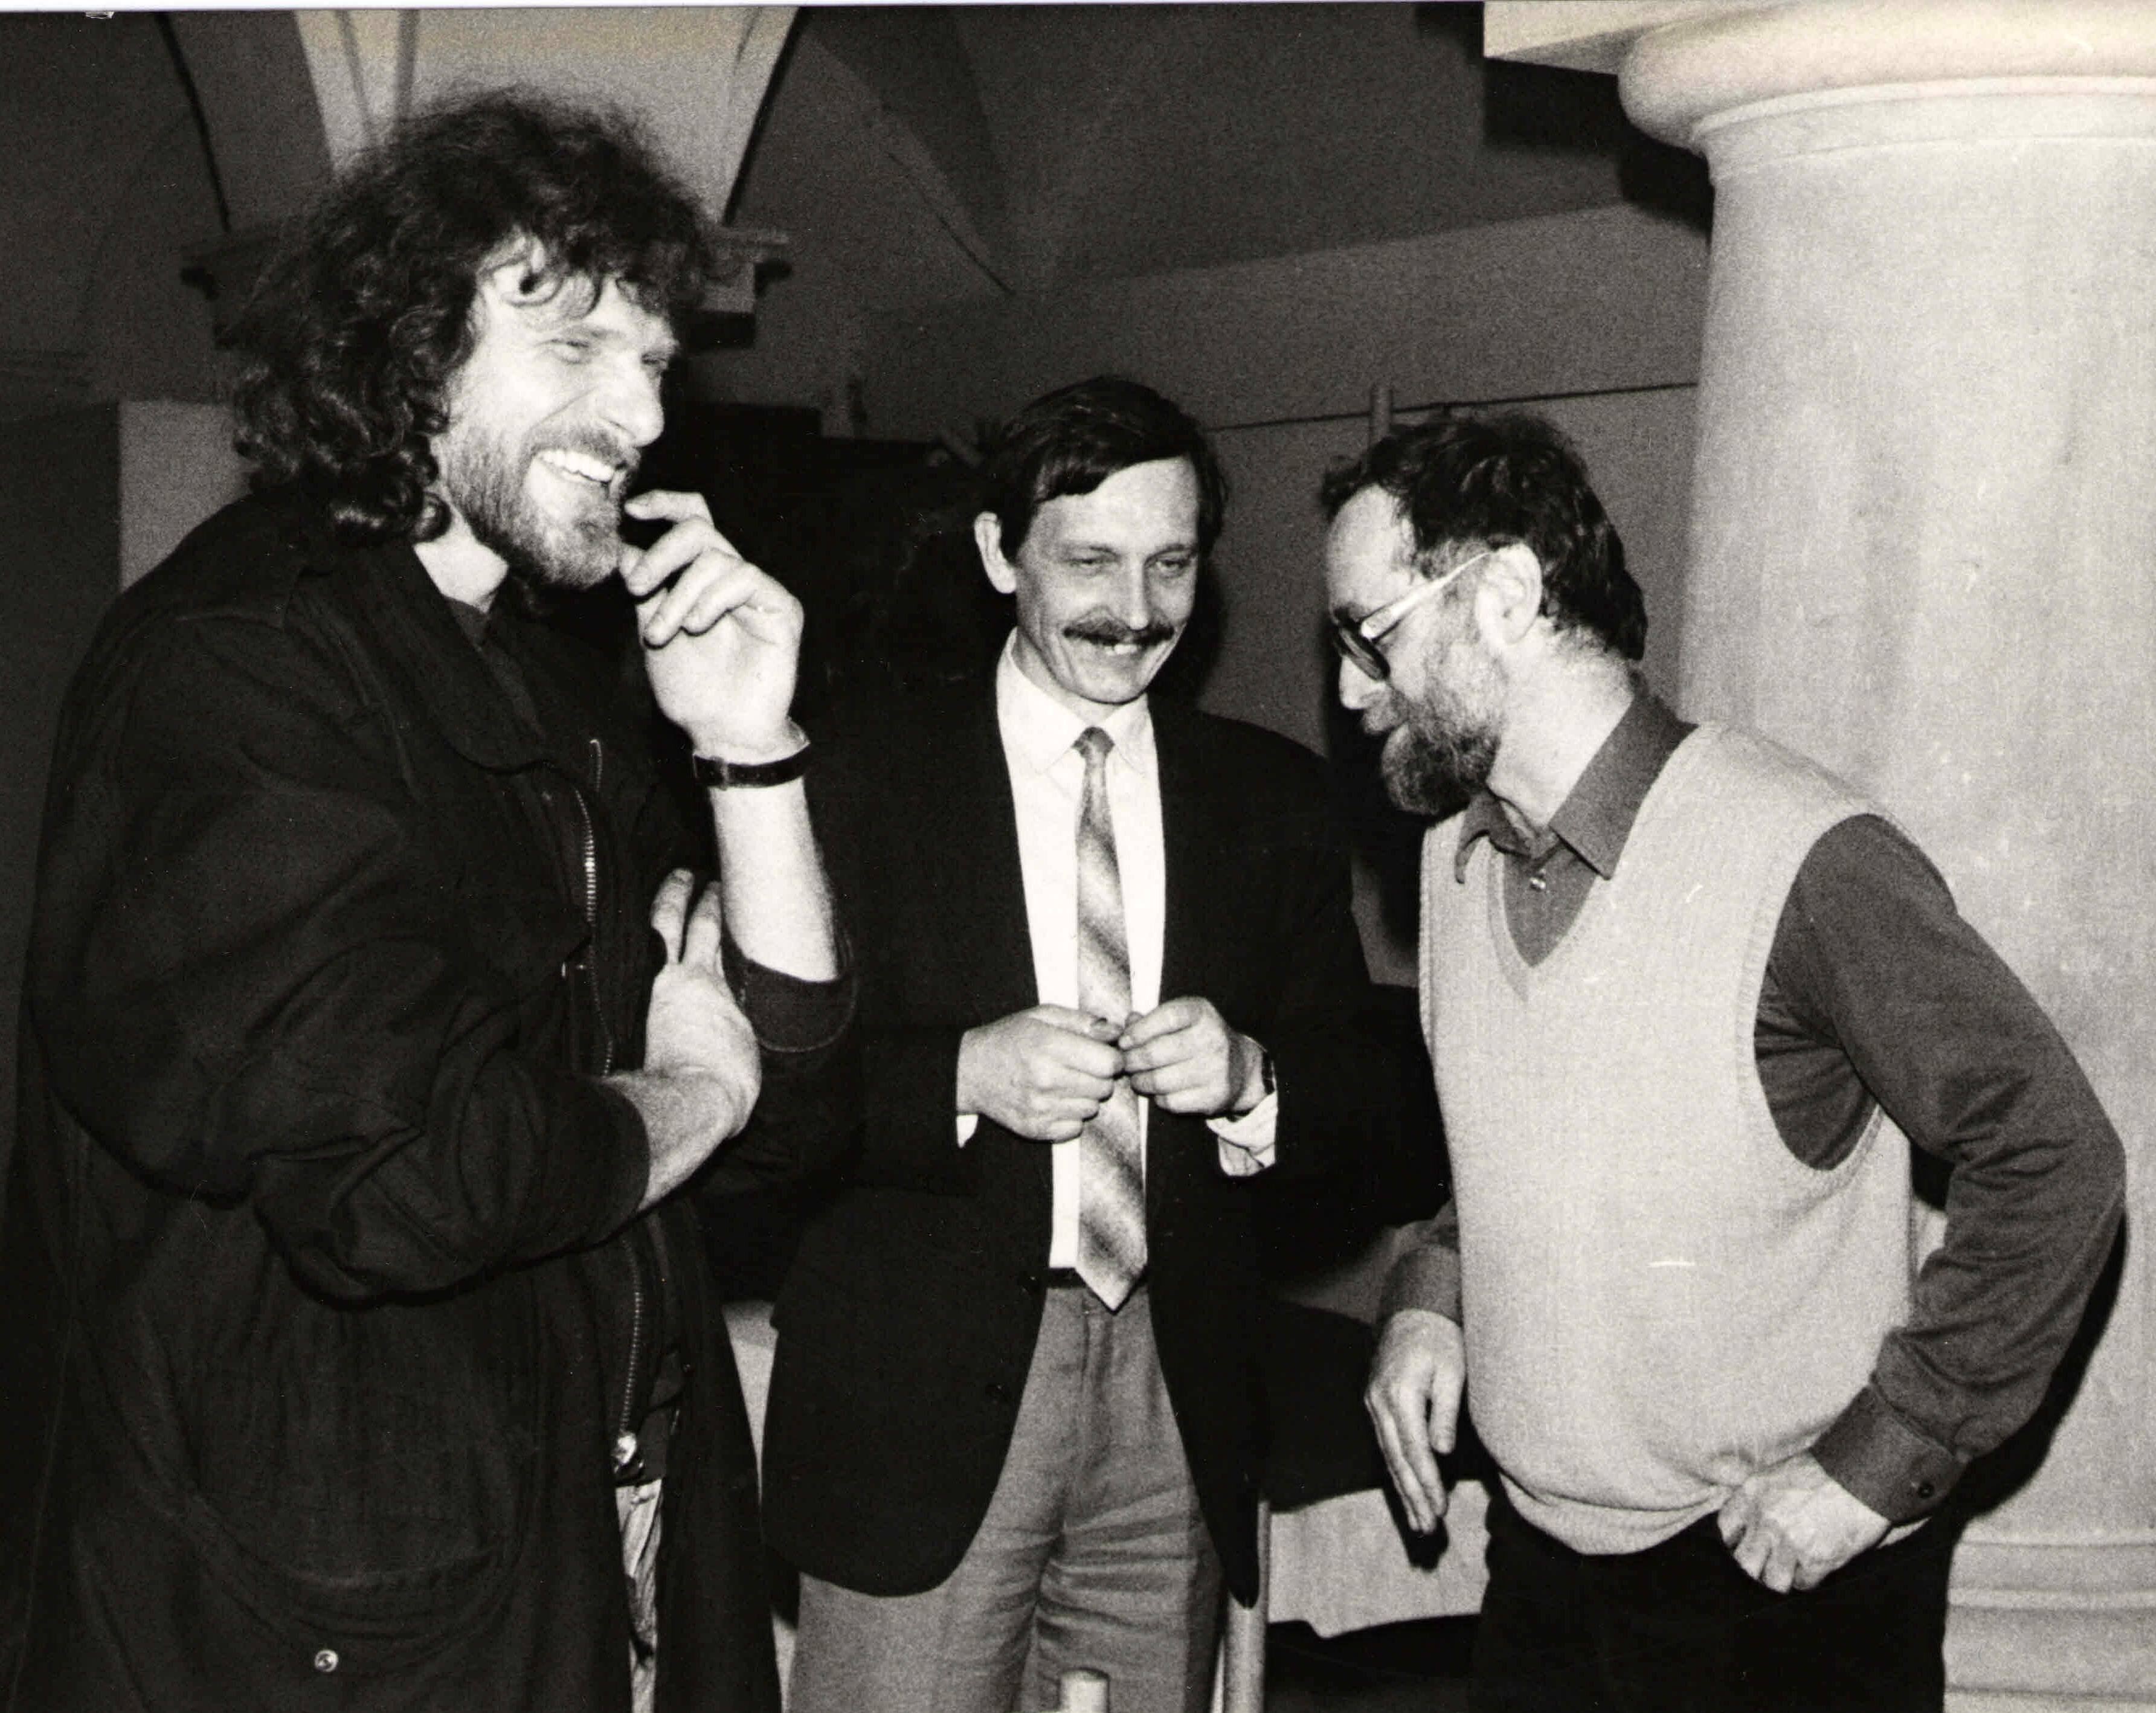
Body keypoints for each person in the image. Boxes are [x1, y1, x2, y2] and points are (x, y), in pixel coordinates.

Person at [0, 93, 847, 1713]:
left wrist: (751, 752)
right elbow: (412, 1175)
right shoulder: (242, 669)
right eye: (574, 343)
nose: (638, 413)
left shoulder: (545, 679)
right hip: (326, 1625)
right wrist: (693, 1088)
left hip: (574, 1537)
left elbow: (798, 1110)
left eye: (654, 361)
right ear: (405, 348)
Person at [1334, 413, 2126, 1712]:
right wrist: (1433, 1294)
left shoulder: (1805, 856)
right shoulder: (1449, 862)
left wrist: (1883, 1459)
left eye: (1372, 635)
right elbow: (1524, 1157)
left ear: (1509, 593)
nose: (1352, 689)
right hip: (1538, 1578)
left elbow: (2056, 1156)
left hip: (1771, 1596)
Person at [763, 377, 1409, 1713]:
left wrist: (1254, 1079)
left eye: (1171, 563)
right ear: (1000, 554)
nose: (1135, 608)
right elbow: (768, 1101)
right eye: (1091, 561)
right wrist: (962, 1073)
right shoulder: (853, 777)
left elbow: (1365, 1088)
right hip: (921, 1413)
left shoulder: (1269, 796)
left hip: (1177, 1400)